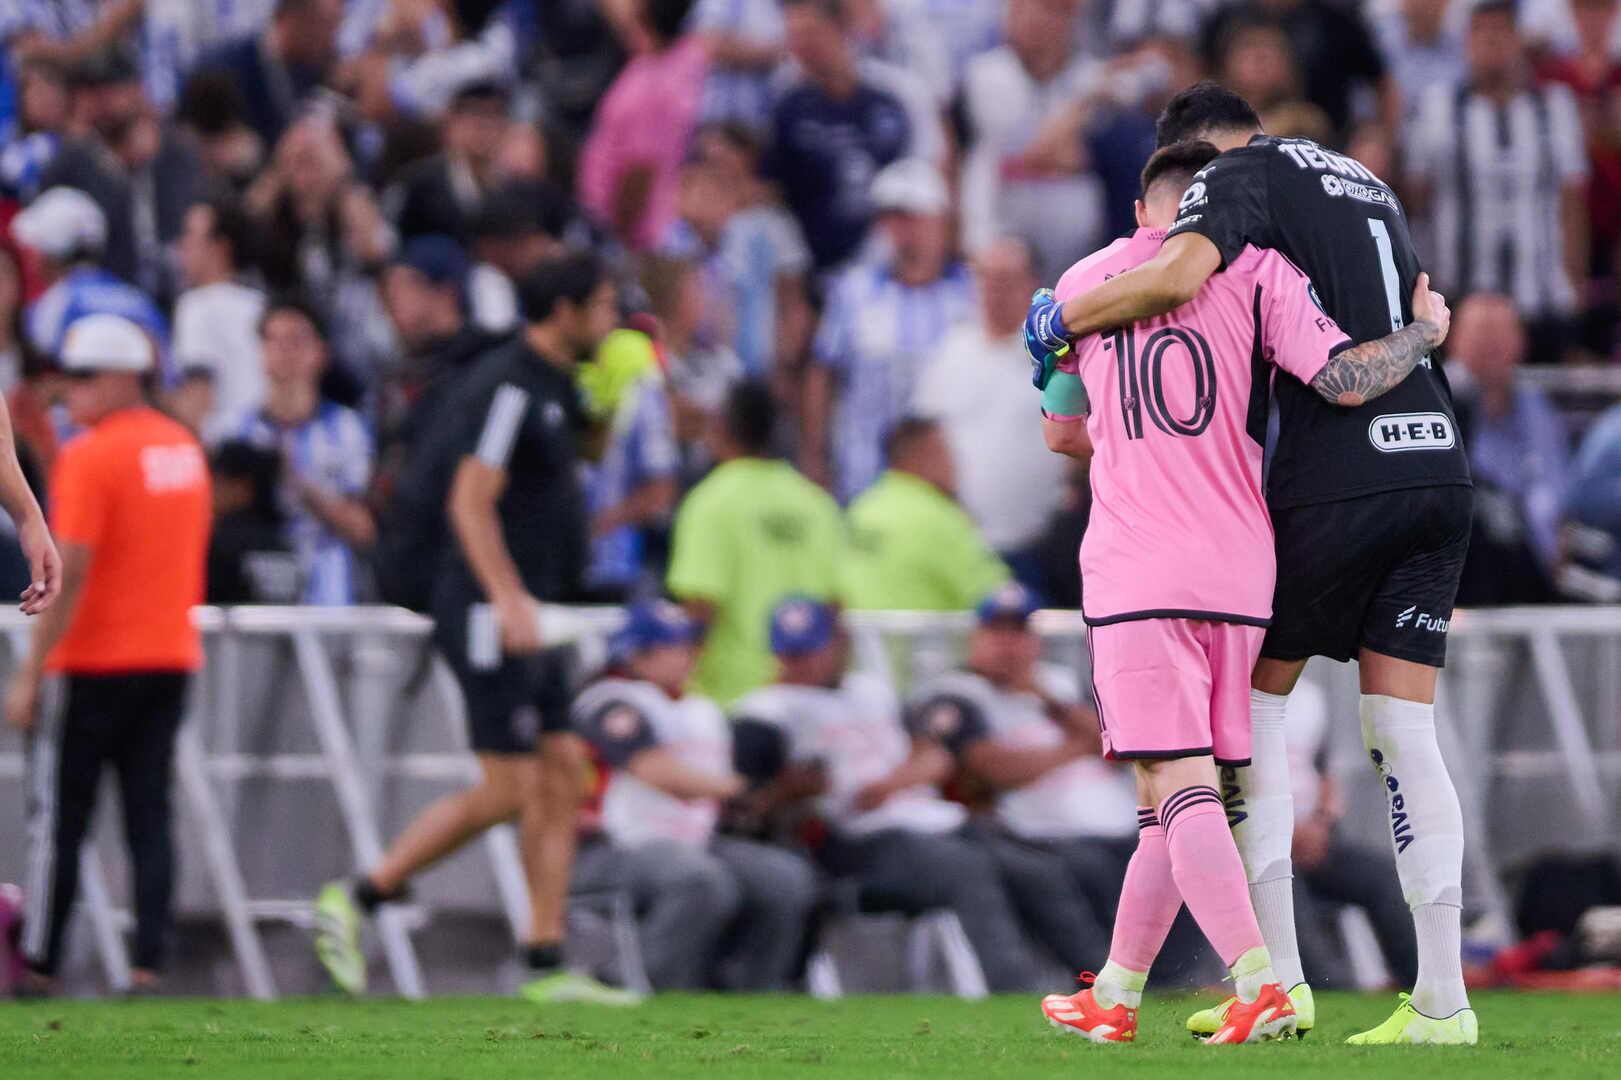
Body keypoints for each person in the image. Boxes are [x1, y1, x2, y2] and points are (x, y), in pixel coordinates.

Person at [1025, 82, 1478, 1044]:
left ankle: (1267, 979)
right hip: (1343, 514)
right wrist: (1428, 337)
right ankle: (1436, 1000)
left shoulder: (1120, 264)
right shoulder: (1334, 210)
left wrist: (1064, 330)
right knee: (1394, 735)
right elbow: (1337, 373)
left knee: (1187, 777)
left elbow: (1065, 435)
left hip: (1166, 561)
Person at [314, 254, 636, 1006]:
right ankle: (356, 898)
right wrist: (507, 598)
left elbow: (567, 456)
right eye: (603, 307)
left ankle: (544, 960)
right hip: (491, 611)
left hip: (533, 608)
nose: (612, 321)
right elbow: (469, 500)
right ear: (563, 309)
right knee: (510, 785)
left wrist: (617, 397)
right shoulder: (507, 384)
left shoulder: (553, 384)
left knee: (564, 774)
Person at [5, 313, 211, 995]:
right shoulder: (184, 448)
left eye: (86, 376)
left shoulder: (92, 455)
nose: (72, 391)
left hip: (94, 661)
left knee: (61, 818)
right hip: (169, 656)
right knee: (149, 814)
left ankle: (40, 961)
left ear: (126, 377)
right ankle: (150, 961)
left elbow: (72, 572)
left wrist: (32, 673)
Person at [730, 596, 1042, 991]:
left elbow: (935, 756)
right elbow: (746, 809)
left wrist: (889, 784)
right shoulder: (764, 713)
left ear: (837, 643)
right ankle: (1017, 990)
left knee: (1032, 866)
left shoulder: (869, 691)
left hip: (918, 815)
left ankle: (1102, 983)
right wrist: (792, 791)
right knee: (966, 868)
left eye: (810, 651)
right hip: (851, 841)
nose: (801, 664)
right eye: (790, 654)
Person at [571, 600, 818, 990]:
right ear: (639, 655)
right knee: (699, 880)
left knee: (784, 879)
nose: (689, 655)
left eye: (689, 644)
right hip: (611, 846)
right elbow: (652, 770)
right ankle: (642, 988)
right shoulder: (611, 699)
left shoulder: (701, 709)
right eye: (675, 646)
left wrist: (784, 789)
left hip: (692, 841)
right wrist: (740, 787)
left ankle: (747, 995)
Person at [908, 583, 1141, 977]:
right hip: (1033, 831)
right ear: (975, 638)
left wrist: (1051, 703)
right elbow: (995, 769)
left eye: (1017, 632)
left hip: (1114, 821)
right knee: (1086, 869)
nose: (1007, 645)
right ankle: (1110, 981)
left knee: (1173, 855)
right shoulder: (957, 693)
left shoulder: (1058, 684)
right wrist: (1076, 746)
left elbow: (1123, 745)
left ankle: (1175, 981)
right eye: (996, 633)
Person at [1407, 0, 1589, 363]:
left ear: (1519, 41)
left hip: (1542, 295)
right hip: (1460, 294)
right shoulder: (1438, 107)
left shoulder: (1555, 106)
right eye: (1482, 32)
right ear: (1465, 42)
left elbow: (1573, 202)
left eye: (1502, 32)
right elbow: (1414, 201)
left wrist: (1575, 282)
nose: (1492, 42)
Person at [803, 157, 974, 500]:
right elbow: (823, 374)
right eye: (891, 218)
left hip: (947, 482)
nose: (903, 231)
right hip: (864, 477)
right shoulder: (854, 291)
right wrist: (814, 457)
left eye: (913, 217)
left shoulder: (969, 295)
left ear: (940, 220)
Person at [666, 379, 843, 705]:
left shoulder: (711, 502)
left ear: (722, 430)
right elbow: (836, 605)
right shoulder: (817, 504)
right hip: (804, 695)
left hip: (731, 699)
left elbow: (700, 605)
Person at [913, 238, 1069, 582]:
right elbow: (924, 439)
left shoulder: (1055, 355)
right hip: (958, 545)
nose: (994, 291)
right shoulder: (950, 352)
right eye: (985, 278)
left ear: (1033, 285)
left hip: (1038, 542)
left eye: (1006, 279)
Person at [229, 297, 375, 606]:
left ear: (320, 352)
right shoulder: (236, 428)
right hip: (255, 585)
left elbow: (363, 528)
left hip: (330, 592)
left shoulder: (346, 429)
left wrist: (296, 480)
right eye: (273, 340)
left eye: (296, 340)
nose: (284, 351)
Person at [768, 0, 913, 274]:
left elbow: (924, 170)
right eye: (794, 36)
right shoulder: (788, 104)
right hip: (811, 258)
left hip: (884, 254)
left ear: (841, 27)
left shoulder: (892, 94)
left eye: (810, 33)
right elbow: (775, 190)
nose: (802, 46)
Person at [1449, 294, 1571, 604]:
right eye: (1481, 333)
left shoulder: (1537, 407)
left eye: (1501, 333)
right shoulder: (1438, 400)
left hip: (1533, 572)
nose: (1491, 345)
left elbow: (1555, 492)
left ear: (1521, 341)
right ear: (1453, 339)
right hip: (1463, 574)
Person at [576, 0, 709, 250]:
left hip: (637, 231)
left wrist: (622, 236)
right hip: (661, 221)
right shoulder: (689, 58)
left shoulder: (650, 86)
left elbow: (640, 170)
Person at [843, 417, 1010, 611]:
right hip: (928, 640)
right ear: (920, 457)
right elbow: (998, 597)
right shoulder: (941, 519)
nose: (954, 464)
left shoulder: (860, 510)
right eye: (945, 453)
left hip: (860, 640)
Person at [11, 186, 168, 374]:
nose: (31, 259)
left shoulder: (54, 305)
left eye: (35, 249)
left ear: (50, 253)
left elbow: (40, 378)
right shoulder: (140, 301)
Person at [172, 196, 266, 438]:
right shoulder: (260, 303)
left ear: (220, 248)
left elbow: (196, 403)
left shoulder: (196, 305)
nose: (181, 245)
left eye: (189, 235)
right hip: (264, 441)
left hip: (222, 452)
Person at [384, 78, 511, 245]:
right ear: (451, 122)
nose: (483, 126)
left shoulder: (512, 186)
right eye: (473, 114)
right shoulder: (418, 181)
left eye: (493, 116)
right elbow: (389, 232)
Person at [205, 440, 301, 605]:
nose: (209, 488)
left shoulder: (221, 544)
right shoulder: (284, 544)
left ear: (243, 487)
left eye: (216, 479)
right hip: (281, 630)